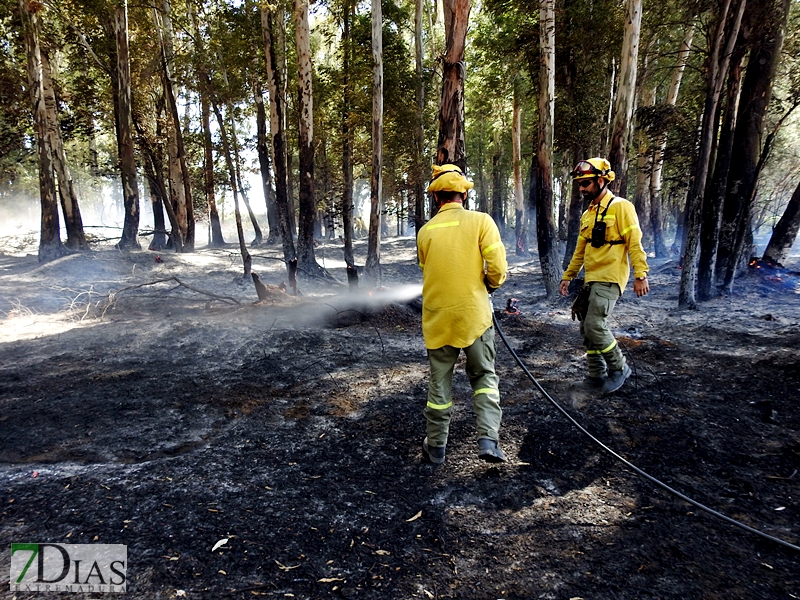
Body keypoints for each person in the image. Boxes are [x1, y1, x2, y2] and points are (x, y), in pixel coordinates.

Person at [416, 164, 508, 464]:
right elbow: (497, 270)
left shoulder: (425, 231)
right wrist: (489, 285)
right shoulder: (482, 222)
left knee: (439, 383)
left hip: (438, 318)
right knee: (483, 377)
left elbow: (427, 269)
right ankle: (488, 441)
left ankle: (437, 447)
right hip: (474, 317)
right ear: (463, 195)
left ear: (437, 198)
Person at [559, 158, 650, 395]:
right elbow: (580, 250)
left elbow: (635, 242)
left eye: (586, 183)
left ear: (602, 180)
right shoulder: (588, 214)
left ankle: (619, 368)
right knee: (586, 329)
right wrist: (568, 276)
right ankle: (595, 376)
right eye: (580, 184)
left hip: (610, 276)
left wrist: (641, 274)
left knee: (595, 325)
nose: (582, 188)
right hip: (591, 278)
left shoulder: (621, 207)